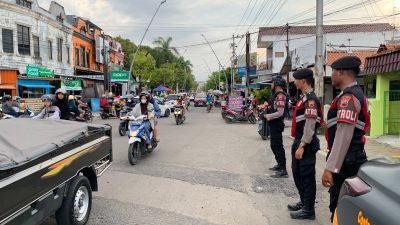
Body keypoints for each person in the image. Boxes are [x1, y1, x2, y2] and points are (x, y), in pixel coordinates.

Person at [321, 56, 370, 222]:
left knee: (340, 207)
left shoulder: (348, 97)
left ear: (341, 71)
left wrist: (331, 168)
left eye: (333, 71)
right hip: (351, 158)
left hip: (346, 162)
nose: (332, 74)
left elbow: (343, 136)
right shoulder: (354, 94)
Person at [288, 68, 323, 220]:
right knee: (297, 174)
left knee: (307, 177)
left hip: (306, 144)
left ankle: (309, 210)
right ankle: (304, 202)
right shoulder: (304, 98)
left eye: (296, 79)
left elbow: (310, 125)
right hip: (300, 141)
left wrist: (302, 145)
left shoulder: (310, 100)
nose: (294, 82)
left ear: (303, 81)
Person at [264, 75, 289, 178]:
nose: (271, 84)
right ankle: (279, 164)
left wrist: (268, 116)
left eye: (273, 82)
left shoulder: (280, 95)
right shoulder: (277, 95)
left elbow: (280, 112)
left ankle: (283, 170)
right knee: (274, 145)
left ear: (277, 84)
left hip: (277, 123)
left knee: (278, 146)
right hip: (274, 123)